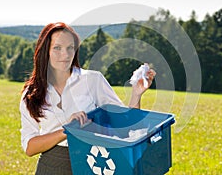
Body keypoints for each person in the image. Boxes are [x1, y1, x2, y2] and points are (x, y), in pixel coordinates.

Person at [19, 22, 156, 174]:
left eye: (70, 48)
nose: (65, 55)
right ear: (45, 51)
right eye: (57, 48)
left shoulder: (93, 80)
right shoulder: (31, 94)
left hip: (92, 162)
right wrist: (67, 130)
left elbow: (125, 125)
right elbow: (30, 147)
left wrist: (136, 94)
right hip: (51, 166)